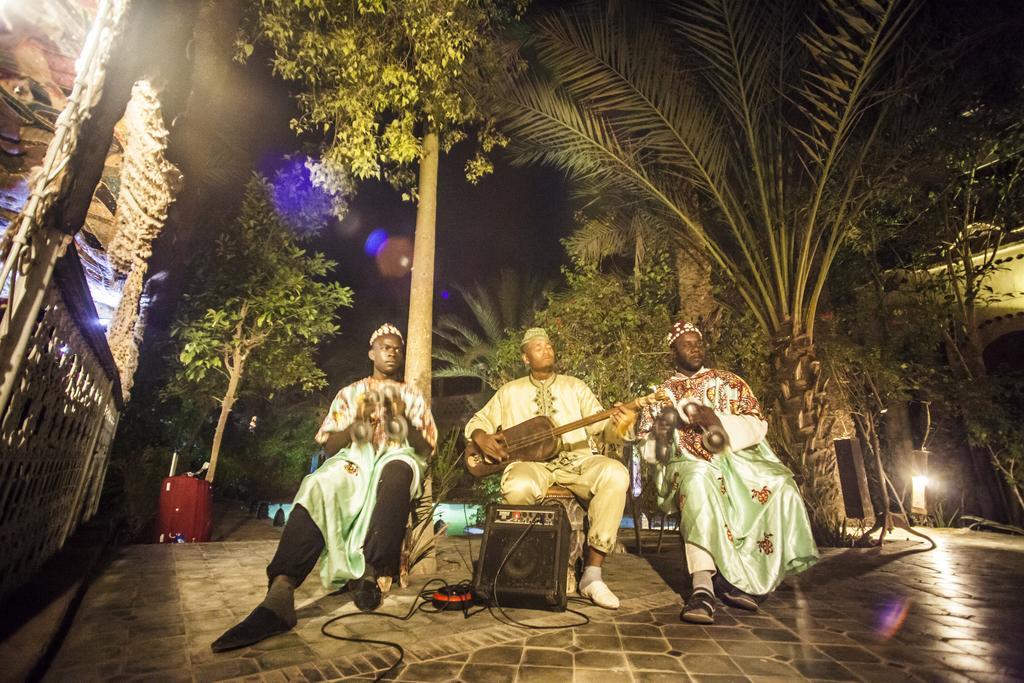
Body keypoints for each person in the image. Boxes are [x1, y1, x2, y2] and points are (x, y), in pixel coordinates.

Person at [212, 324, 437, 652]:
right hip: (355, 459)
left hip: (397, 455)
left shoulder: (412, 395)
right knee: (319, 484)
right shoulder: (349, 393)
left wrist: (405, 420)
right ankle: (279, 595)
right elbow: (329, 446)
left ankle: (370, 575)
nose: (391, 352)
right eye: (384, 347)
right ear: (371, 353)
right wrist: (355, 426)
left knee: (398, 474)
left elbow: (426, 447)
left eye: (396, 348)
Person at [635, 321, 818, 625]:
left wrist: (715, 419)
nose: (696, 348)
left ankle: (737, 578)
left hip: (735, 460)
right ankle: (703, 587)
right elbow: (650, 453)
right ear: (673, 352)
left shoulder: (730, 382)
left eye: (698, 343)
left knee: (781, 484)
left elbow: (757, 423)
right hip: (685, 465)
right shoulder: (661, 395)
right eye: (687, 344)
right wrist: (662, 432)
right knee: (698, 480)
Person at [465, 327, 634, 609]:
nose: (547, 350)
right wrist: (480, 436)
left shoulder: (575, 386)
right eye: (538, 346)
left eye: (549, 345)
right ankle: (532, 570)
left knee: (616, 474)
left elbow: (603, 428)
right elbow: (477, 421)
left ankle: (592, 575)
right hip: (533, 465)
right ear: (525, 357)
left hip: (578, 461)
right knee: (517, 486)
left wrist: (623, 422)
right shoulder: (510, 392)